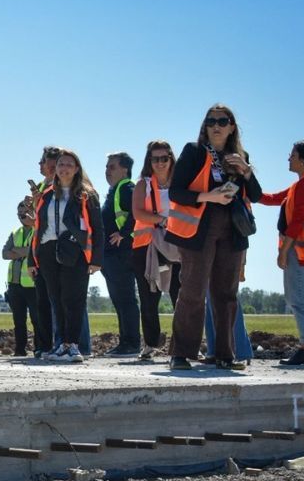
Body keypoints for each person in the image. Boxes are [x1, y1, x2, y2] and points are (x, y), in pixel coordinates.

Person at [165, 104, 262, 371]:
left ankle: (225, 354)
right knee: (193, 292)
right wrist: (210, 197)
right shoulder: (194, 152)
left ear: (232, 126)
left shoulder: (239, 157)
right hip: (200, 231)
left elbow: (255, 195)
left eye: (222, 121)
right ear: (205, 126)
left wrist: (246, 170)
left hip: (232, 231)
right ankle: (181, 354)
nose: (216, 126)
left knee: (226, 294)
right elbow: (176, 192)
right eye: (211, 121)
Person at [259, 139, 304, 366]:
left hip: (300, 252)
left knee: (299, 299)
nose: (288, 158)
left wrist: (283, 252)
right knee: (301, 297)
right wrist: (247, 183)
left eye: (292, 155)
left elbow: (297, 223)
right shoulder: (300, 186)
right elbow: (271, 199)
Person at [31, 149, 103, 363]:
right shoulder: (46, 196)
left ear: (77, 169)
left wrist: (96, 259)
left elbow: (98, 228)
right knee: (56, 299)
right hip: (47, 250)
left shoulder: (86, 195)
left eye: (69, 165)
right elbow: (37, 227)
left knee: (74, 298)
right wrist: (32, 259)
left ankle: (73, 344)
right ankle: (60, 344)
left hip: (74, 251)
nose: (64, 168)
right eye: (61, 164)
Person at [130, 140, 182, 359]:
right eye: (155, 159)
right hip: (148, 248)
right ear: (149, 161)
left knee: (180, 294)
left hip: (178, 245)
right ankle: (151, 343)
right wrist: (161, 220)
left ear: (171, 159)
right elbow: (138, 213)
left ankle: (183, 345)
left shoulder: (181, 182)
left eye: (164, 158)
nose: (160, 163)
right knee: (149, 296)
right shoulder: (144, 184)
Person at [101, 152, 140, 357]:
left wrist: (124, 233)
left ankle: (132, 343)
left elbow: (137, 211)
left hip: (121, 254)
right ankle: (125, 342)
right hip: (110, 255)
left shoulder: (126, 188)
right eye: (107, 167)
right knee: (119, 300)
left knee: (125, 299)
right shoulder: (114, 190)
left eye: (112, 167)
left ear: (124, 169)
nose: (107, 171)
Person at [3, 200, 41, 356]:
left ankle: (40, 348)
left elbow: (35, 250)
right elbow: (5, 253)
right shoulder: (15, 233)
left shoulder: (38, 230)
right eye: (19, 214)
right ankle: (20, 349)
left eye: (24, 213)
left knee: (37, 319)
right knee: (18, 321)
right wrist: (24, 251)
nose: (21, 217)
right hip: (15, 284)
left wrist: (17, 251)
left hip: (32, 284)